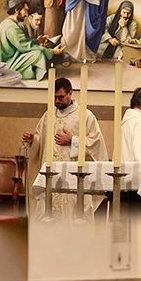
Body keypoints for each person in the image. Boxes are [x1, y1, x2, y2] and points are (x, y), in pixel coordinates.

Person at [23, 76, 107, 219]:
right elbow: (41, 141)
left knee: (73, 216)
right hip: (50, 177)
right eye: (54, 97)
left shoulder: (85, 116)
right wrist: (34, 141)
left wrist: (73, 140)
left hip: (73, 178)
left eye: (61, 97)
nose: (57, 101)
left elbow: (96, 144)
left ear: (70, 94)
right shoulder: (48, 115)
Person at [0, 0, 59, 77]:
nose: (26, 14)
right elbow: (26, 47)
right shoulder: (11, 27)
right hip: (6, 64)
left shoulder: (9, 23)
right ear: (17, 10)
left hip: (10, 60)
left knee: (30, 73)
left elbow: (23, 42)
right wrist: (52, 52)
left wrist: (37, 41)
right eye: (25, 10)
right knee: (38, 54)